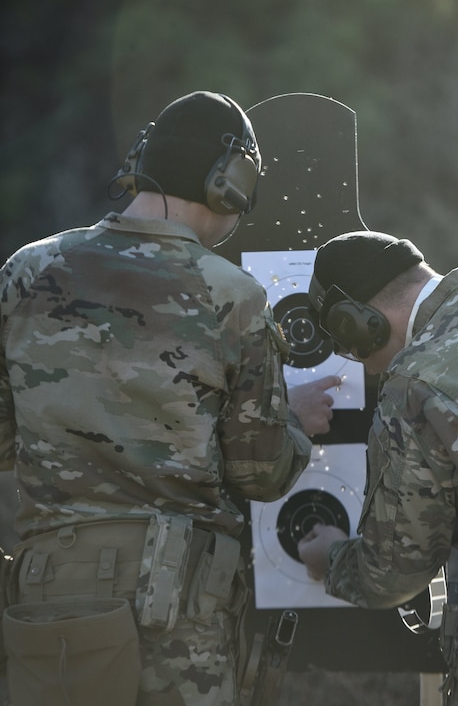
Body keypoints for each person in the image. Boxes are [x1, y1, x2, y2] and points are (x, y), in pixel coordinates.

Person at [0, 90, 339, 706]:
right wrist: (292, 420)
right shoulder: (231, 296)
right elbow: (259, 472)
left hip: (48, 602)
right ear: (228, 184)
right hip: (175, 611)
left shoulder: (26, 270)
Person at [297, 230, 458, 706]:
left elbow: (394, 572)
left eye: (350, 346)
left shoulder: (415, 383)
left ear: (359, 323)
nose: (367, 369)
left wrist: (332, 557)